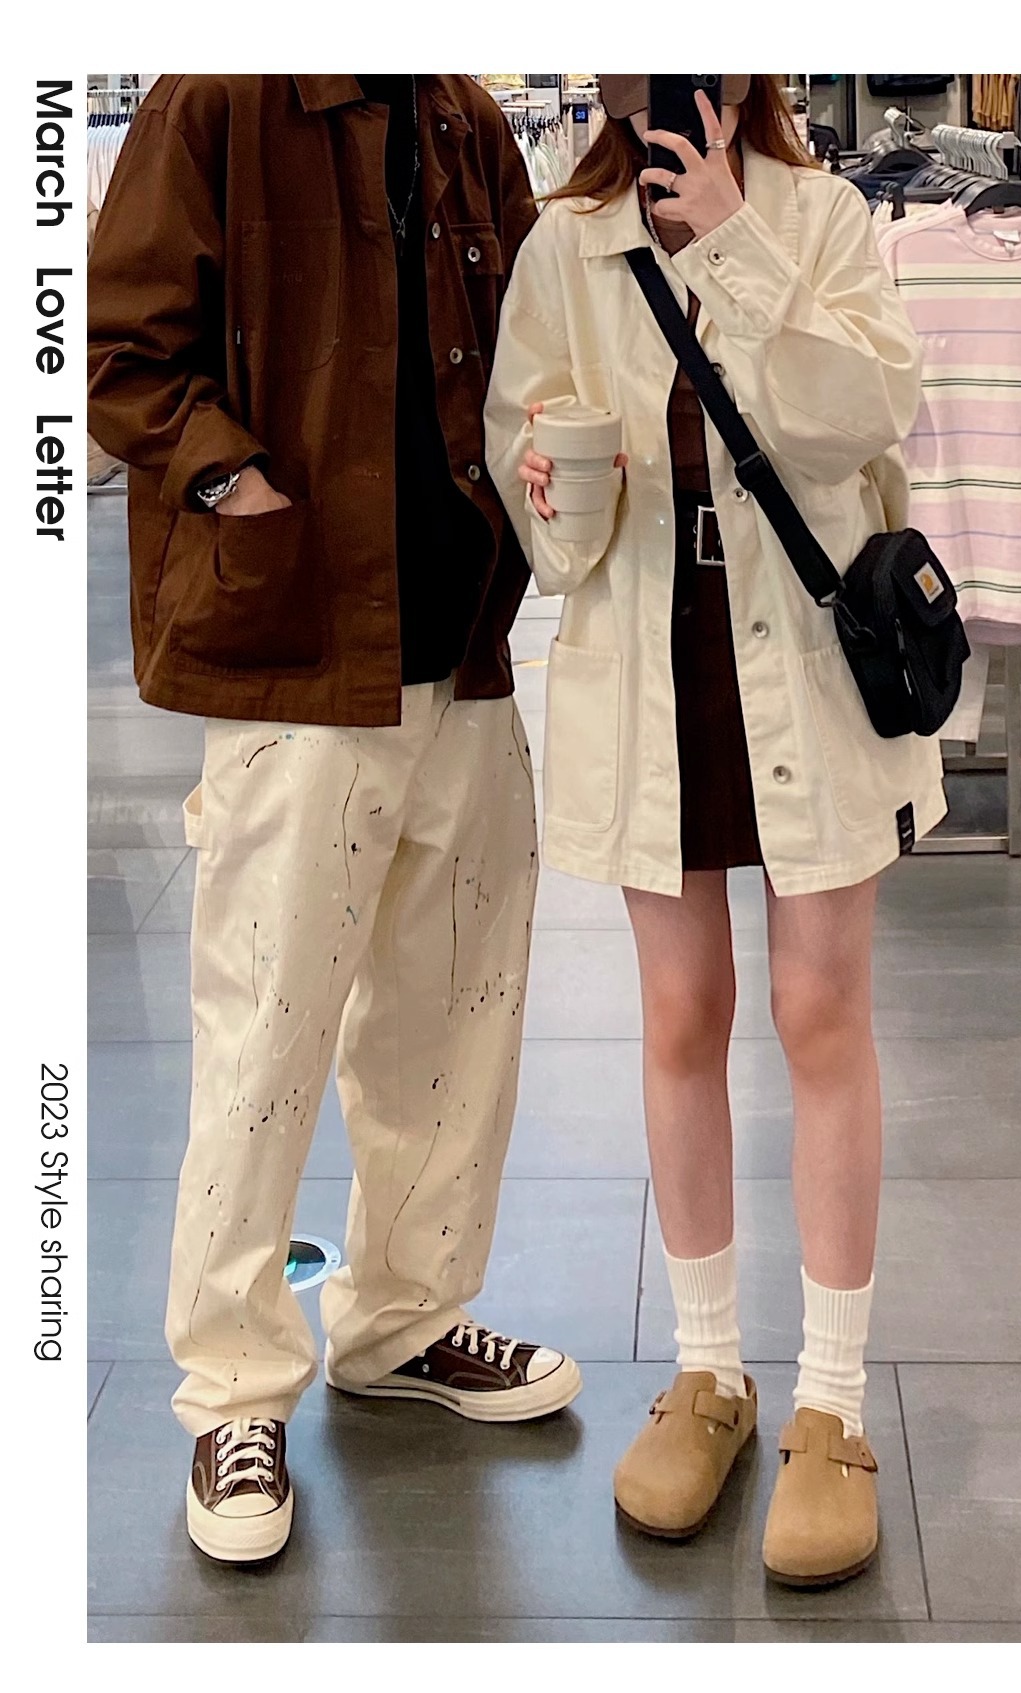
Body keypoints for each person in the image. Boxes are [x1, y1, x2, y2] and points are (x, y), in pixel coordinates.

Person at [88, 74, 582, 1567]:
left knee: (458, 1018)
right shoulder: (219, 97)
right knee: (265, 1034)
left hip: (468, 651)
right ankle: (235, 1389)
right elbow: (121, 346)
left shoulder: (468, 121)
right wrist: (230, 482)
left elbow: (531, 345)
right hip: (300, 651)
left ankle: (403, 1320)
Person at [484, 74, 945, 1586]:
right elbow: (535, 491)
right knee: (681, 1012)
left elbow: (864, 418)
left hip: (805, 661)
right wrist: (548, 491)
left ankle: (832, 1402)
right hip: (649, 657)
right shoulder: (567, 243)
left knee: (821, 1010)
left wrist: (738, 242)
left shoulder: (825, 217)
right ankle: (705, 1375)